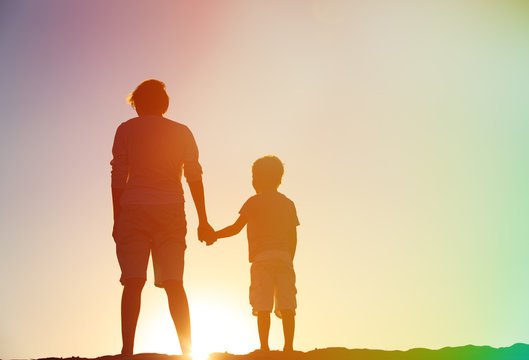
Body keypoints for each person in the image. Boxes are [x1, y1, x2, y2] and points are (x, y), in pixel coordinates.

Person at [110, 79, 215, 356]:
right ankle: (187, 351)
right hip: (170, 210)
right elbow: (194, 175)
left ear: (138, 104)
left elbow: (118, 176)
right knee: (174, 283)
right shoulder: (182, 131)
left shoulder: (125, 129)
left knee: (132, 282)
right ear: (164, 104)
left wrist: (116, 217)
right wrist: (203, 220)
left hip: (133, 209)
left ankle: (127, 351)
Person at [213, 155, 299, 352]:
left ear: (257, 179)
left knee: (263, 304)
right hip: (284, 258)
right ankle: (288, 347)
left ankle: (264, 347)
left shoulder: (253, 202)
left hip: (261, 259)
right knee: (287, 305)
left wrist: (215, 235)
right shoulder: (288, 203)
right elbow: (293, 236)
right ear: (279, 179)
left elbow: (236, 228)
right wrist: (289, 258)